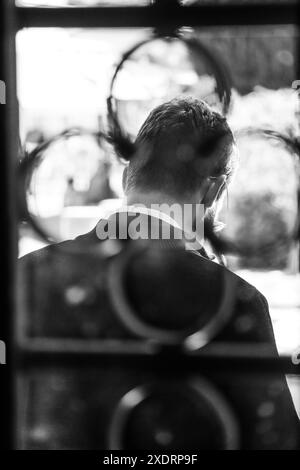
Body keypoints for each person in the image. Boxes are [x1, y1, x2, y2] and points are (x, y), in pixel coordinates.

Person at [19, 97, 299, 448]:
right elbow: (276, 440)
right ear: (214, 191)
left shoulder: (29, 274)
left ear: (126, 178)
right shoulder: (234, 302)